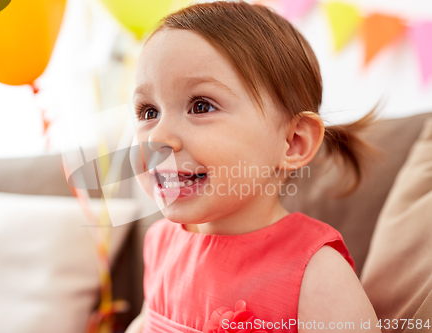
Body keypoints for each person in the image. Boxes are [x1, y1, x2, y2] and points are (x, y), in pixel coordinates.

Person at [126, 1, 380, 332]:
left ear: (293, 142)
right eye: (148, 111)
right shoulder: (160, 242)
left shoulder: (315, 274)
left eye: (201, 106)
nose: (157, 138)